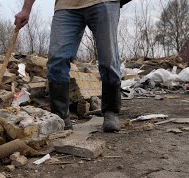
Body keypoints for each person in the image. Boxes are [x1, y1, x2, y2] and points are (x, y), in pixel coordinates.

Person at [15, 0, 131, 132]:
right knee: (57, 58)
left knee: (108, 57)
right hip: (66, 5)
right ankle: (60, 117)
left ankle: (111, 112)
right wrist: (26, 9)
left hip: (103, 2)